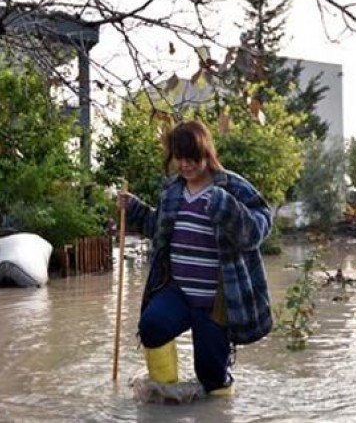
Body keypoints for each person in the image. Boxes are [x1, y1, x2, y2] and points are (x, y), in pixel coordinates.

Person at [116, 120, 273, 396]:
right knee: (152, 326)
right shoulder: (173, 190)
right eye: (179, 158)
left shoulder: (232, 186)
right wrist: (135, 209)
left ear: (207, 154)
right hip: (178, 290)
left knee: (211, 376)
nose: (185, 165)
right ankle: (164, 400)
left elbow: (259, 229)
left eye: (192, 158)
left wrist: (228, 209)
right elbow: (159, 229)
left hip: (216, 300)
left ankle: (219, 408)